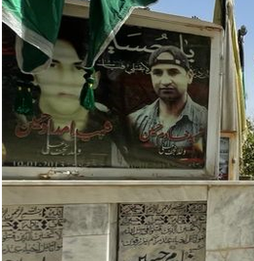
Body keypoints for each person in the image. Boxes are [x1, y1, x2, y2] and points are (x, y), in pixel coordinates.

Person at [3, 35, 127, 167]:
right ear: (34, 74)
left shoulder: (116, 130)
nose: (66, 78)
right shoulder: (9, 127)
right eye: (52, 65)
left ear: (95, 78)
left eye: (79, 67)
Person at [128, 45, 207, 166]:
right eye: (158, 73)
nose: (165, 81)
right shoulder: (135, 121)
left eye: (173, 72)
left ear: (189, 76)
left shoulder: (206, 120)